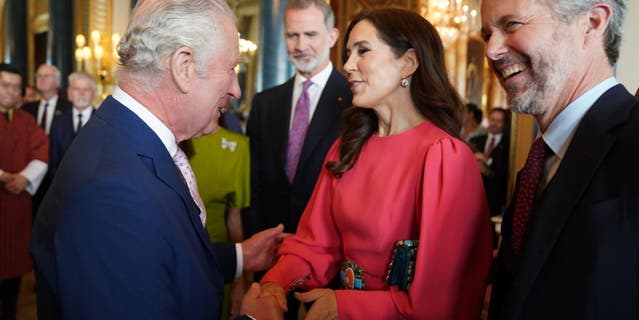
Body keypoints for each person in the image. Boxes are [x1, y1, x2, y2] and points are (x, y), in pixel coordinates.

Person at [30, 1, 285, 319]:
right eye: (230, 68)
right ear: (184, 67)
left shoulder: (128, 138)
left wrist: (239, 256)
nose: (235, 88)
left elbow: (154, 255)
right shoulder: (115, 194)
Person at [259, 8, 493, 319]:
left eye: (363, 51)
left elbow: (440, 299)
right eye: (347, 53)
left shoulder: (444, 156)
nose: (347, 66)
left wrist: (343, 305)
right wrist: (275, 283)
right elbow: (315, 244)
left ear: (408, 63)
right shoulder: (347, 147)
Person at [481, 0, 639, 319]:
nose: (491, 50)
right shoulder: (536, 164)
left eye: (511, 25)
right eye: (487, 35)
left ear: (592, 23)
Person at [246, 0, 352, 236]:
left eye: (311, 34)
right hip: (271, 246)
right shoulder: (264, 103)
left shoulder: (355, 101)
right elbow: (254, 184)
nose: (301, 45)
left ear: (333, 36)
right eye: (292, 35)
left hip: (329, 247)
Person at [189, 113, 251, 319]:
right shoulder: (173, 138)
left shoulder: (238, 147)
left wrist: (240, 280)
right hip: (172, 257)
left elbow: (235, 219)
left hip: (218, 260)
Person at [0, 63, 48, 320]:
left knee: (13, 274)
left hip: (17, 208)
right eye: (5, 85)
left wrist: (23, 177)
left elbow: (42, 150)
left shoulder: (26, 120)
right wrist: (4, 176)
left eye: (16, 87)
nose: (11, 92)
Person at [21, 64, 72, 218]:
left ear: (57, 82)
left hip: (59, 176)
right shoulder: (27, 109)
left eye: (46, 76)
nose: (41, 79)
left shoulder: (70, 108)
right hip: (31, 177)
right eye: (39, 76)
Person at [47, 72, 96, 184]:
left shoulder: (105, 122)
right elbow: (53, 161)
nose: (81, 93)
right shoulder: (57, 122)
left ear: (94, 94)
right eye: (76, 89)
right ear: (69, 93)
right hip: (63, 188)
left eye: (86, 89)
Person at [470, 107, 510, 217]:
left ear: (505, 123)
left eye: (499, 121)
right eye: (492, 119)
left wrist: (487, 161)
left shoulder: (510, 144)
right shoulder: (475, 141)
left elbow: (506, 170)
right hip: (474, 195)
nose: (494, 123)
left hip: (496, 198)